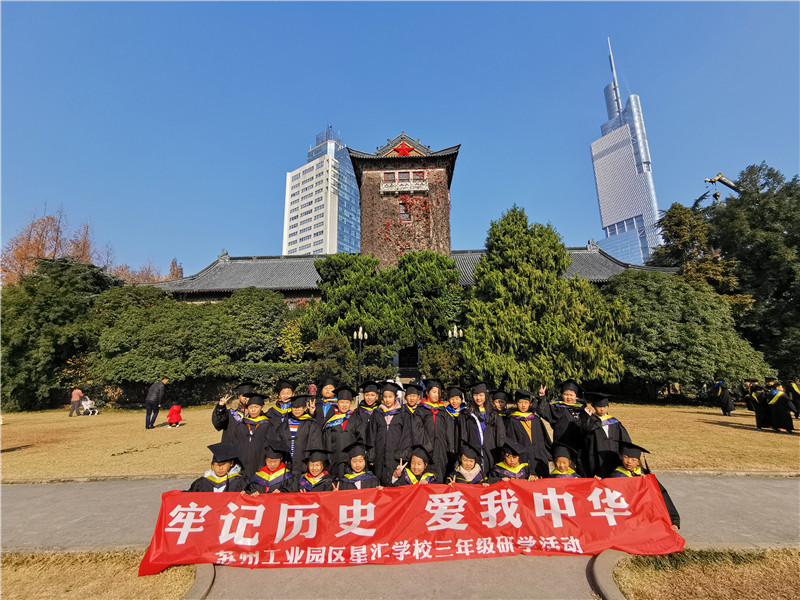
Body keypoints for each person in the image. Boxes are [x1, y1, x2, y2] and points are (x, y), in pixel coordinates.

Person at [608, 441, 680, 530]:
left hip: (646, 516)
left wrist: (674, 520)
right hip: (626, 517)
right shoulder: (616, 475)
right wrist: (600, 482)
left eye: (633, 459)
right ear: (621, 457)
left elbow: (662, 495)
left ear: (638, 462)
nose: (629, 461)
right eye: (626, 457)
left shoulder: (645, 475)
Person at [213, 392, 271, 478]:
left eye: (256, 407)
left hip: (260, 463)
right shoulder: (241, 425)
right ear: (247, 408)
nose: (253, 410)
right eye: (250, 407)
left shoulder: (267, 425)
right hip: (242, 463)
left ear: (262, 408)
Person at [535, 379, 587, 473]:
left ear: (576, 396)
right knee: (562, 470)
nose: (568, 397)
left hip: (579, 447)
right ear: (562, 395)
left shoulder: (582, 409)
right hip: (562, 446)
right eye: (566, 394)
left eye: (571, 395)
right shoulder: (557, 408)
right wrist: (542, 397)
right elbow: (545, 411)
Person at [366, 381, 412, 486]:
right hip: (380, 454)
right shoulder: (377, 413)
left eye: (390, 397)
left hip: (395, 456)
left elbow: (406, 435)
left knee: (394, 481)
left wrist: (401, 455)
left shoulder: (403, 414)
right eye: (385, 397)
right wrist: (371, 455)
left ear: (395, 397)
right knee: (379, 481)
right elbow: (371, 434)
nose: (387, 400)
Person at [579, 393, 631, 478]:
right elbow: (584, 434)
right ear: (593, 407)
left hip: (614, 458)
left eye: (605, 407)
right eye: (599, 407)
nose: (602, 409)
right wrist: (587, 417)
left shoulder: (614, 422)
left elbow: (625, 440)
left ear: (608, 407)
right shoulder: (590, 421)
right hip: (596, 459)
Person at [503, 389, 551, 478]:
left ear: (529, 403)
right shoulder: (512, 421)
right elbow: (511, 441)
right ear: (516, 403)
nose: (523, 405)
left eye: (526, 402)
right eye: (520, 402)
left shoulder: (536, 419)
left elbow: (545, 438)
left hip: (540, 457)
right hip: (524, 459)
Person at [273, 395, 324, 476]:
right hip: (287, 465)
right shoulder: (284, 425)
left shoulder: (311, 424)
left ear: (305, 408)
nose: (297, 410)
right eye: (294, 407)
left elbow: (316, 445)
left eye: (299, 407)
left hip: (304, 465)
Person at [459, 384, 505, 473]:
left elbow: (500, 436)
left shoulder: (493, 413)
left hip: (491, 452)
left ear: (485, 396)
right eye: (475, 395)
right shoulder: (466, 414)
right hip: (473, 453)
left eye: (481, 395)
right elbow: (463, 436)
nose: (478, 398)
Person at [322, 386, 365, 478]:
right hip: (334, 458)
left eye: (347, 402)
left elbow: (361, 438)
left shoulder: (356, 419)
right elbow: (326, 442)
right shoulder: (331, 421)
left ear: (351, 403)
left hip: (351, 459)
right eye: (342, 402)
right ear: (337, 403)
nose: (344, 405)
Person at [412, 382, 450, 482]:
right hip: (426, 450)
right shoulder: (420, 410)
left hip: (441, 449)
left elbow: (449, 430)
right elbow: (418, 429)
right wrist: (427, 446)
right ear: (427, 393)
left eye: (438, 393)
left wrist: (449, 447)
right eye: (434, 392)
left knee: (440, 475)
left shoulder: (443, 411)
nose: (436, 395)